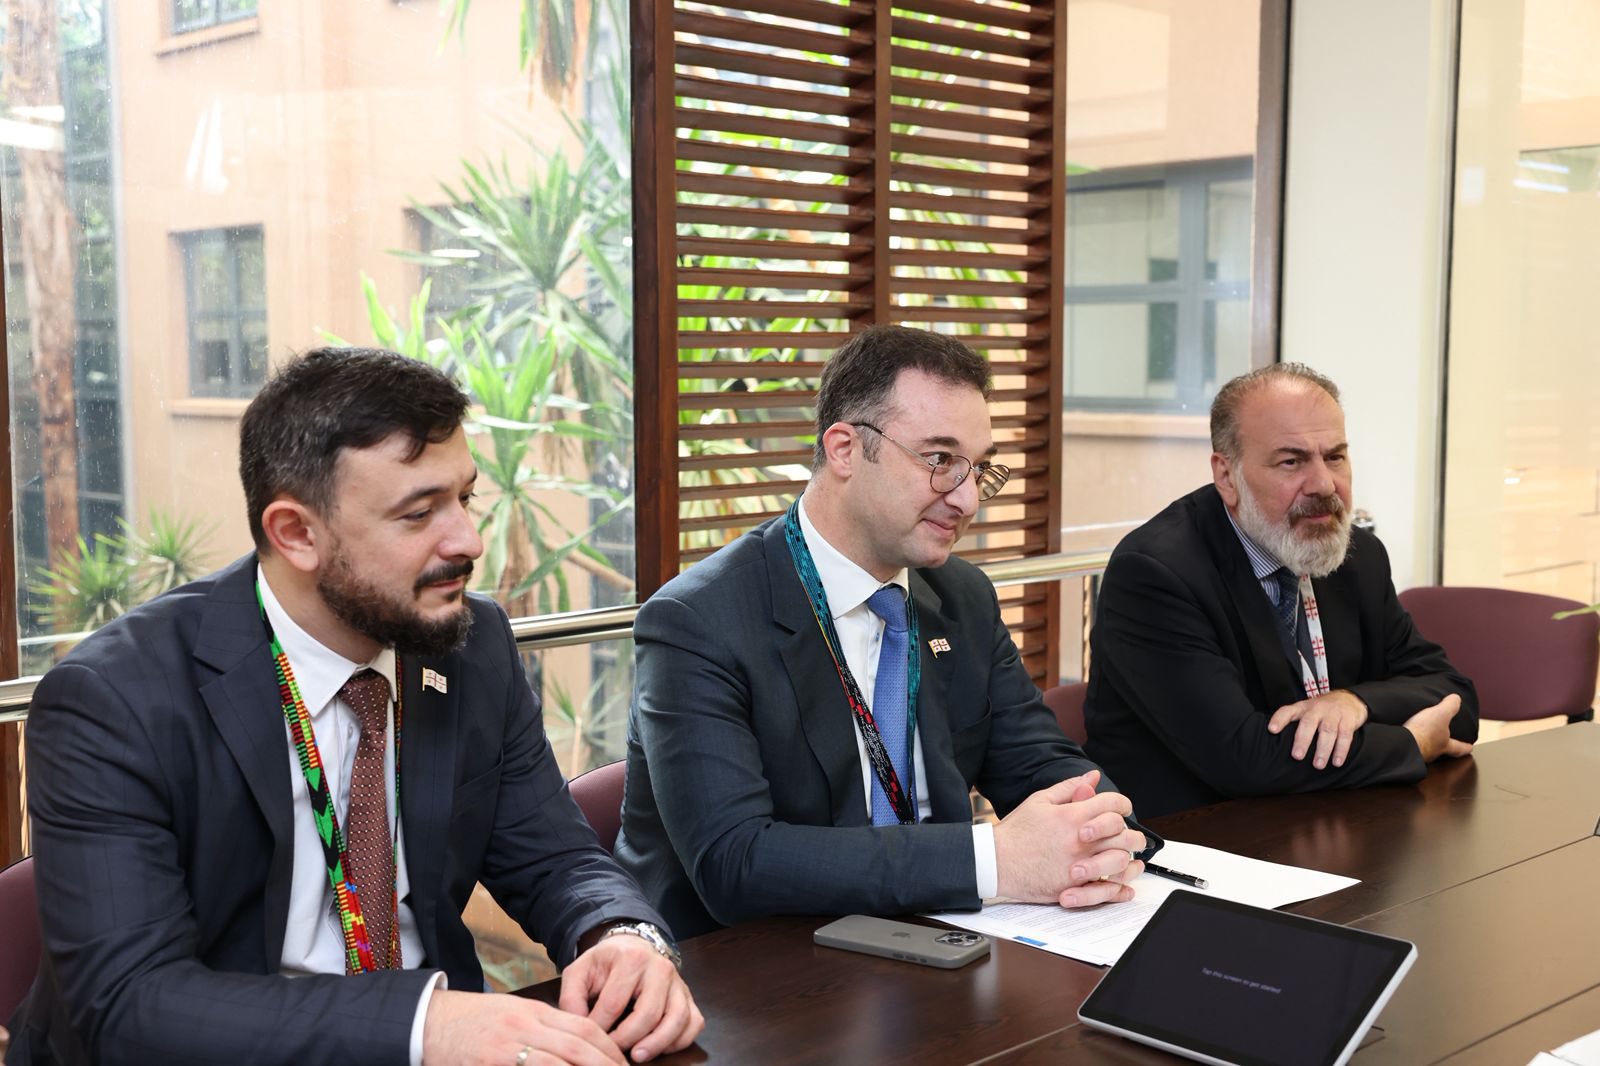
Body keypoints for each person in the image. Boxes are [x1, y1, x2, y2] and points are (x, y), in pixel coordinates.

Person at [9, 348, 703, 1066]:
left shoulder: (470, 644)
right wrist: (423, 1026)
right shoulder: (115, 700)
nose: (468, 541)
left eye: (465, 498)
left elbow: (555, 857)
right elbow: (131, 1003)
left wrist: (619, 934)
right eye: (418, 513)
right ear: (297, 533)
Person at [615, 325, 1159, 939]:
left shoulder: (962, 597)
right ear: (845, 449)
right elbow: (735, 863)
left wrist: (1101, 830)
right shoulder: (699, 622)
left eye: (979, 469)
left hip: (934, 936)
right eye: (941, 461)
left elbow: (1038, 760)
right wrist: (994, 861)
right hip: (750, 962)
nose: (967, 500)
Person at [1085, 363, 1478, 818]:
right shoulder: (1157, 574)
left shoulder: (1357, 556)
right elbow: (1245, 759)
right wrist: (1412, 742)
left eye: (1335, 457)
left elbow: (1457, 701)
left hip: (1336, 821)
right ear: (1227, 476)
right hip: (1195, 836)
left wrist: (1356, 702)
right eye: (1292, 462)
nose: (1324, 485)